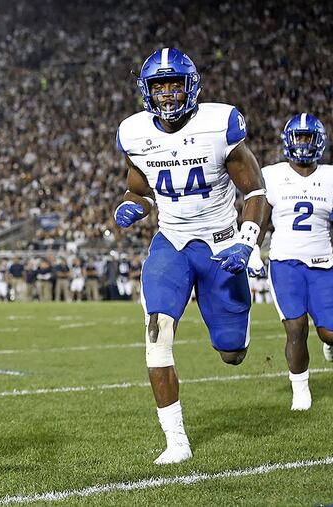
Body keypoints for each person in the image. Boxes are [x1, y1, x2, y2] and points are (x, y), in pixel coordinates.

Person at [114, 48, 267, 464]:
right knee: (156, 334)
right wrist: (133, 204)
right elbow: (138, 188)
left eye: (173, 84)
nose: (166, 94)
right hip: (172, 243)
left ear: (190, 85)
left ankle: (233, 322)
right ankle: (177, 442)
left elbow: (254, 191)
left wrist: (247, 240)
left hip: (220, 244)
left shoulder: (220, 124)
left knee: (232, 352)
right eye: (158, 85)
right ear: (146, 90)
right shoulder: (134, 132)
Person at [251, 113, 333, 411]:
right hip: (285, 262)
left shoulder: (330, 177)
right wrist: (251, 249)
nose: (302, 143)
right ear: (288, 140)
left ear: (318, 141)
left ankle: (328, 344)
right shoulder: (271, 174)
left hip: (324, 263)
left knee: (329, 332)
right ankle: (300, 389)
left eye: (308, 137)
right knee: (296, 326)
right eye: (298, 137)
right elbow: (258, 215)